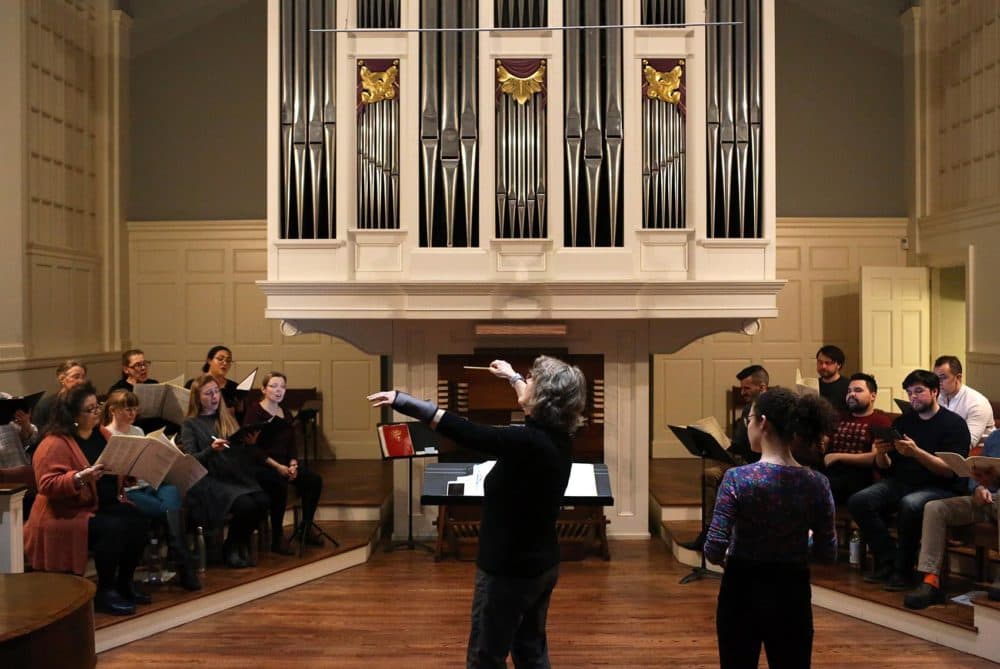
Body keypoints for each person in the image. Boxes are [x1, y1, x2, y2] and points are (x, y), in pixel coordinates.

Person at [368, 355, 586, 669]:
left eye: (531, 379)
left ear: (542, 397)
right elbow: (531, 403)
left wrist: (404, 401)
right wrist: (511, 376)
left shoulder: (526, 441)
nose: (527, 380)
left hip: (508, 571)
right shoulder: (558, 437)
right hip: (541, 565)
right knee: (531, 650)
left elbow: (465, 431)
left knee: (486, 657)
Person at [704, 387, 838, 669]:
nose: (748, 425)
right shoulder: (816, 483)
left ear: (762, 422)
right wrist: (805, 542)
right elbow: (828, 553)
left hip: (741, 590)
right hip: (792, 592)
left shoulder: (737, 479)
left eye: (749, 419)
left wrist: (733, 553)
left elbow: (713, 549)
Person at [24, 383, 150, 616]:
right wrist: (80, 477)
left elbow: (114, 468)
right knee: (114, 528)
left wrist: (129, 470)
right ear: (72, 415)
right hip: (66, 511)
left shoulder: (102, 434)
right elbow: (47, 485)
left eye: (97, 407)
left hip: (99, 504)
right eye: (90, 409)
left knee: (139, 520)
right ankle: (105, 591)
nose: (96, 413)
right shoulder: (53, 443)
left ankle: (125, 583)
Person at [847, 369, 971, 591]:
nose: (913, 397)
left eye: (919, 391)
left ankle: (903, 570)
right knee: (860, 500)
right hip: (901, 481)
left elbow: (951, 471)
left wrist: (917, 452)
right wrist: (881, 453)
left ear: (934, 392)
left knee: (910, 504)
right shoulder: (904, 422)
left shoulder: (954, 424)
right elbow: (886, 467)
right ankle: (888, 560)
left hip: (939, 486)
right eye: (909, 392)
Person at [103, 389, 201, 590]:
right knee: (163, 508)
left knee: (173, 493)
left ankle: (178, 553)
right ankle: (183, 561)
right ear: (113, 410)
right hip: (129, 490)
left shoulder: (138, 431)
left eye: (134, 409)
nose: (132, 414)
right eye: (127, 409)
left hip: (149, 483)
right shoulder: (107, 434)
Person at [903, 430, 1000, 609]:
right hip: (986, 498)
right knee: (935, 508)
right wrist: (978, 487)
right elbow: (977, 472)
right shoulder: (995, 437)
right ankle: (931, 581)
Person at [180, 374, 268, 568]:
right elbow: (191, 460)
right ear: (197, 398)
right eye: (208, 393)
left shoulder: (227, 417)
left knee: (262, 501)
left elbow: (238, 454)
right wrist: (211, 449)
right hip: (210, 479)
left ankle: (234, 543)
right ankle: (232, 549)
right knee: (246, 505)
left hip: (232, 475)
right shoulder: (190, 424)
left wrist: (248, 444)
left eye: (216, 392)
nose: (214, 397)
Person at [680, 364, 768, 552]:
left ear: (762, 387)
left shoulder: (769, 410)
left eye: (747, 388)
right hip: (740, 460)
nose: (742, 392)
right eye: (741, 387)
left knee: (722, 475)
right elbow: (738, 444)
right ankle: (709, 531)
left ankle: (723, 534)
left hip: (758, 464)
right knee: (709, 474)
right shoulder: (747, 409)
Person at [244, 372, 324, 554]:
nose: (278, 390)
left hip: (285, 464)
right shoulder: (254, 411)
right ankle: (277, 537)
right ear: (264, 389)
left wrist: (294, 463)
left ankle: (306, 526)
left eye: (282, 386)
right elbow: (252, 448)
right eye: (273, 386)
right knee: (278, 483)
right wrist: (278, 467)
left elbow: (291, 443)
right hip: (263, 465)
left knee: (313, 480)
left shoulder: (285, 411)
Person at [822, 373, 894, 503]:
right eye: (849, 391)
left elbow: (875, 457)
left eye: (858, 390)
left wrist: (838, 456)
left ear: (873, 396)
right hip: (831, 471)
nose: (852, 394)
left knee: (817, 486)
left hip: (860, 477)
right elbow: (824, 444)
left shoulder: (880, 420)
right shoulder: (839, 416)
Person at [933, 355, 995, 448]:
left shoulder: (977, 403)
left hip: (979, 452)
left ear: (958, 378)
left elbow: (968, 442)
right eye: (936, 378)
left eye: (943, 378)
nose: (938, 383)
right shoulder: (937, 396)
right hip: (946, 444)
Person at [0, 395, 38, 518]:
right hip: (3, 482)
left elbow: (31, 440)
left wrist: (25, 424)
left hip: (22, 471)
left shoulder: (5, 398)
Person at [30, 359, 88, 438]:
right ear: (62, 379)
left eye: (83, 377)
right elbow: (38, 437)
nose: (81, 381)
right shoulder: (45, 406)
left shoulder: (87, 403)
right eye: (76, 377)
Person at [187, 346, 243, 419]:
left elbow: (241, 417)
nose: (225, 363)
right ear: (209, 360)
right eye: (220, 359)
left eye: (228, 360)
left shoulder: (235, 387)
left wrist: (239, 407)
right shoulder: (193, 384)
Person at [816, 345, 850, 413]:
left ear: (838, 365)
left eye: (828, 363)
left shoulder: (849, 386)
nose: (823, 366)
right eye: (820, 362)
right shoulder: (813, 384)